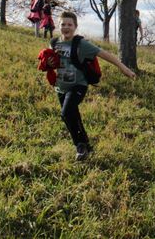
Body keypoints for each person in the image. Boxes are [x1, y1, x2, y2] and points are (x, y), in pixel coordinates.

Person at [51, 11, 136, 160]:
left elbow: (105, 54)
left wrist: (124, 68)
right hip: (61, 87)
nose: (66, 27)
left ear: (75, 27)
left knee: (66, 112)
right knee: (71, 116)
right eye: (63, 24)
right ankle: (85, 146)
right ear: (58, 26)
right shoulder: (54, 43)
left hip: (78, 85)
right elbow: (50, 63)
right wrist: (49, 64)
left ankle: (80, 145)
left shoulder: (81, 44)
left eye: (69, 24)